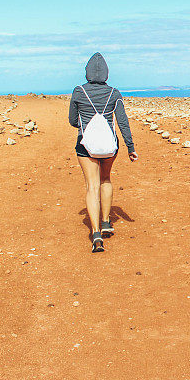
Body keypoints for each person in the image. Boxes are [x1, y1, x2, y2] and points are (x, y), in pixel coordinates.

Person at [68, 52, 138, 252]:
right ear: (106, 73)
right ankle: (107, 221)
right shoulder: (114, 93)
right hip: (110, 146)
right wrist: (131, 148)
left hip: (85, 145)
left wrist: (85, 125)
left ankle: (96, 233)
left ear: (87, 72)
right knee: (106, 179)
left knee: (92, 186)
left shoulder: (79, 91)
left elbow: (73, 120)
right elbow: (122, 122)